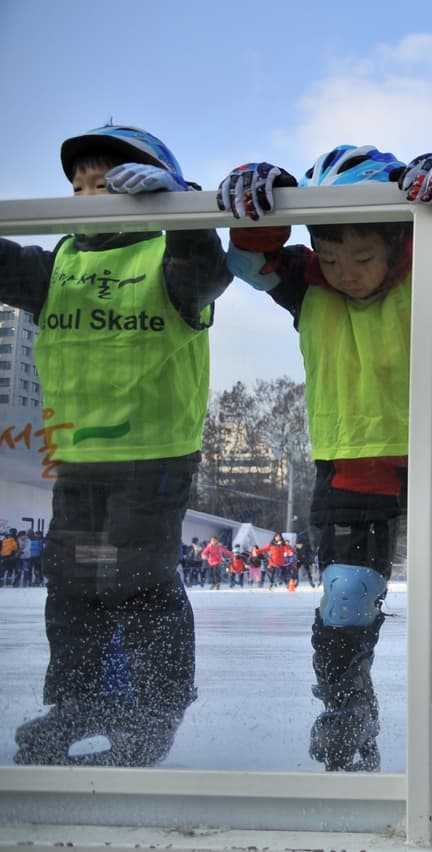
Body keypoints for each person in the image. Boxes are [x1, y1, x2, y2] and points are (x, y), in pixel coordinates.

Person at [217, 144, 432, 772]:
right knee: (349, 591)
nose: (346, 272)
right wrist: (265, 196)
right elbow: (249, 256)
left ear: (398, 241)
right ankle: (347, 703)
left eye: (361, 256)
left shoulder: (427, 267)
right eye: (331, 255)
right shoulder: (305, 283)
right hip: (352, 456)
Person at [1, 124, 229, 765]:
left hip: (154, 451)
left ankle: (154, 708)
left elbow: (207, 272)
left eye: (104, 184)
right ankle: (77, 699)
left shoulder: (168, 261)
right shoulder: (59, 266)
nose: (86, 196)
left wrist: (180, 208)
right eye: (77, 187)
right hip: (78, 454)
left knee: (136, 573)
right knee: (70, 579)